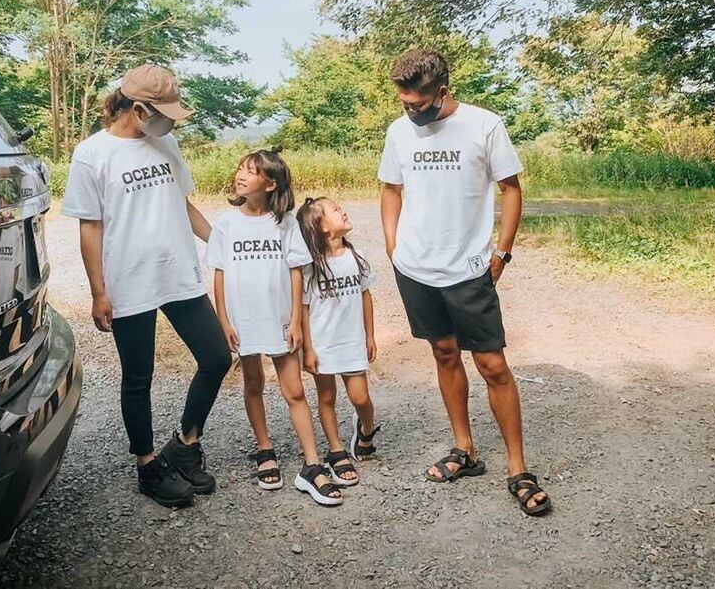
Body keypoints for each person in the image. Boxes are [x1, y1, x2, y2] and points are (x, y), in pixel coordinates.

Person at [377, 48, 552, 516]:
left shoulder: (484, 125)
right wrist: (393, 244)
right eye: (404, 103)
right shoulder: (398, 132)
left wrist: (502, 250)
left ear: (442, 92)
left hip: (468, 267)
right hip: (416, 267)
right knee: (444, 352)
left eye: (418, 103)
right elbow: (390, 189)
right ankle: (465, 449)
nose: (410, 111)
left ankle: (518, 468)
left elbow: (511, 188)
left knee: (492, 364)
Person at [61, 64, 231, 509]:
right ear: (137, 109)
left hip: (178, 274)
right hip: (129, 281)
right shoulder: (92, 154)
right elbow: (90, 226)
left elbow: (183, 204)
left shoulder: (166, 143)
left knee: (216, 357)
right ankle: (147, 464)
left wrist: (223, 245)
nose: (170, 123)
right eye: (163, 114)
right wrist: (98, 290)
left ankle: (186, 444)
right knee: (139, 376)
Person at [207, 149, 342, 506]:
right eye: (240, 168)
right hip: (243, 320)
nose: (240, 175)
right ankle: (264, 449)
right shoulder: (225, 223)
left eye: (250, 171)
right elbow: (219, 273)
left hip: (280, 319)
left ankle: (312, 464)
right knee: (253, 383)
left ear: (270, 184)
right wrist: (223, 320)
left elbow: (296, 271)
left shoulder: (285, 224)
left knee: (294, 390)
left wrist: (296, 320)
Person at [296, 197, 380, 489]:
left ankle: (366, 429)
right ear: (321, 227)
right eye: (335, 210)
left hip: (352, 341)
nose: (343, 211)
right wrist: (308, 348)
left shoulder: (357, 258)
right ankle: (336, 450)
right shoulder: (310, 268)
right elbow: (304, 309)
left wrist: (370, 335)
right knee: (327, 397)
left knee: (360, 398)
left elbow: (366, 296)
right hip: (323, 345)